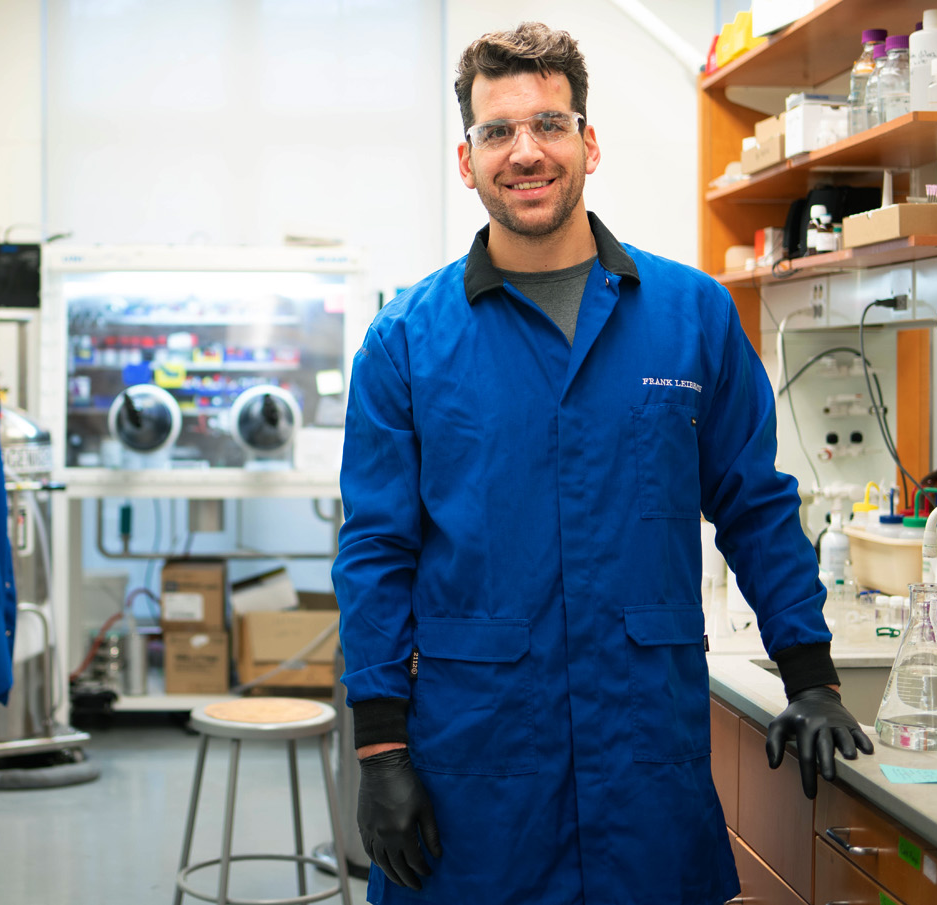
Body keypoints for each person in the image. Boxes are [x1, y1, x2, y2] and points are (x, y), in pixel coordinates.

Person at [332, 22, 873, 905]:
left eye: (548, 124)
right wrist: (380, 750)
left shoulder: (690, 316)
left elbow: (754, 505)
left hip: (643, 763)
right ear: (466, 162)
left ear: (588, 142)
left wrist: (809, 674)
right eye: (497, 131)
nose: (525, 151)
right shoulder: (406, 340)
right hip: (476, 769)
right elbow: (376, 553)